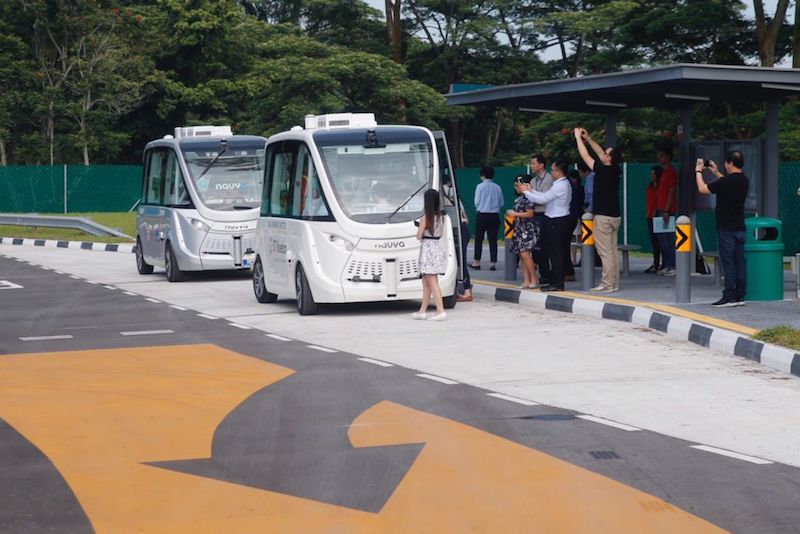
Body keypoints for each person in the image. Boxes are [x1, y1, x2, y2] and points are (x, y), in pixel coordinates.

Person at [695, 151, 749, 307]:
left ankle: (729, 296)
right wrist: (716, 171)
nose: (725, 165)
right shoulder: (743, 180)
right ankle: (740, 295)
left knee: (728, 262)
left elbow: (703, 189)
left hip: (726, 228)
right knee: (740, 262)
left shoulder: (727, 182)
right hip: (740, 227)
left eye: (726, 163)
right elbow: (726, 183)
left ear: (730, 163)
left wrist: (698, 171)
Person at [574, 127, 622, 293]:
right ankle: (614, 282)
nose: (603, 154)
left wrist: (578, 139)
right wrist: (589, 139)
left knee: (605, 252)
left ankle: (607, 283)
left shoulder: (602, 170)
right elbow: (600, 152)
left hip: (603, 217)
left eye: (606, 154)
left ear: (609, 158)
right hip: (615, 216)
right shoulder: (615, 170)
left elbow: (585, 156)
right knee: (613, 250)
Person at [520, 160, 572, 292]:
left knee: (556, 253)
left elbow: (543, 200)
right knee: (553, 252)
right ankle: (554, 281)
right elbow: (544, 196)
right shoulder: (560, 184)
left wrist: (525, 192)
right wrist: (531, 190)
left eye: (553, 170)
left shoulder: (560, 185)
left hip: (557, 220)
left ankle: (557, 283)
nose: (552, 172)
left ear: (559, 172)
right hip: (556, 220)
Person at [413, 189, 448, 320]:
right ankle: (422, 311)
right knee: (428, 281)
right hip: (437, 248)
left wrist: (420, 230)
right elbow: (442, 234)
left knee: (431, 281)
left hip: (427, 249)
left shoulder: (425, 218)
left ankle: (440, 311)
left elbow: (418, 236)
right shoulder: (441, 217)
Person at [443, 176, 473, 302]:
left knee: (459, 260)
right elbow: (464, 215)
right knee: (460, 259)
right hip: (462, 227)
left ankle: (467, 291)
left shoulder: (441, 192)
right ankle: (465, 289)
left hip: (456, 229)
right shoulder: (452, 192)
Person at [505, 174, 539, 289]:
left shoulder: (530, 197)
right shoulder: (519, 198)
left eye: (518, 185)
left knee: (525, 254)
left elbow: (530, 213)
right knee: (521, 254)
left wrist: (515, 214)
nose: (516, 188)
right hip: (520, 227)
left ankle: (534, 278)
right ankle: (526, 280)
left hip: (528, 228)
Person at [471, 166, 504, 271]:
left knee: (478, 239)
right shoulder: (498, 187)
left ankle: (477, 262)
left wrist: (480, 207)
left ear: (482, 175)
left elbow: (476, 202)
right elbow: (501, 203)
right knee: (493, 239)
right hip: (494, 215)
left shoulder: (480, 187)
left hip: (482, 214)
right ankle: (493, 263)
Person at [529, 155, 553, 285]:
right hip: (535, 214)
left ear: (542, 165)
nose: (532, 166)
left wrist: (531, 194)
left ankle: (548, 275)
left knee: (545, 247)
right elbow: (532, 198)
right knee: (536, 248)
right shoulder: (533, 180)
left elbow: (544, 198)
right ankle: (543, 274)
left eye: (534, 163)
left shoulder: (549, 179)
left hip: (545, 214)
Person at [656, 148, 678, 276]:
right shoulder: (664, 172)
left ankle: (672, 265)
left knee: (668, 238)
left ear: (668, 157)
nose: (660, 158)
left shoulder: (671, 172)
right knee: (662, 239)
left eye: (662, 155)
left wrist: (666, 210)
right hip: (660, 208)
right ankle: (667, 264)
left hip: (666, 210)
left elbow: (672, 191)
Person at [565, 168, 584, 281]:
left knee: (579, 238)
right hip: (578, 215)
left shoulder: (572, 188)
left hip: (577, 216)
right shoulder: (577, 188)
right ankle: (574, 259)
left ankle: (579, 259)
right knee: (575, 239)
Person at [644, 166, 663, 273]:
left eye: (654, 174)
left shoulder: (660, 188)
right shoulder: (649, 188)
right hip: (650, 216)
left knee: (661, 241)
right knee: (654, 241)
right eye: (651, 174)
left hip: (658, 216)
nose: (652, 176)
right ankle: (655, 263)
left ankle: (664, 263)